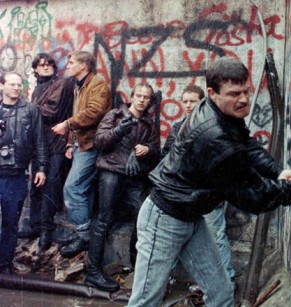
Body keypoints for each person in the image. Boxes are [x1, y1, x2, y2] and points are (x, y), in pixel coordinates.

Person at [128, 57, 291, 307]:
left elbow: (246, 144)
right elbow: (253, 197)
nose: (243, 99)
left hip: (191, 215)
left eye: (246, 91)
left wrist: (277, 172)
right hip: (164, 220)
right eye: (234, 94)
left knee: (221, 293)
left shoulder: (221, 111)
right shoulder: (214, 136)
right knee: (145, 302)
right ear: (212, 93)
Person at [85, 83, 160, 292]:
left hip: (134, 177)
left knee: (143, 218)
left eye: (146, 97)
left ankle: (138, 270)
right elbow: (99, 142)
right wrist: (119, 130)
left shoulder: (148, 124)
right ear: (132, 96)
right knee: (104, 220)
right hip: (111, 172)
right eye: (139, 96)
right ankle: (93, 273)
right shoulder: (116, 115)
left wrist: (147, 149)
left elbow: (156, 150)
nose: (142, 100)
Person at [161, 84, 236, 287]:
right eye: (184, 101)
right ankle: (166, 280)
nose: (187, 105)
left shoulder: (216, 127)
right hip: (182, 196)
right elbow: (165, 158)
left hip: (208, 195)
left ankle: (226, 281)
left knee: (215, 237)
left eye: (192, 101)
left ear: (202, 102)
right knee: (174, 237)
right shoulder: (178, 128)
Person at [52, 50, 112, 258]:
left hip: (91, 146)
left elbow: (94, 112)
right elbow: (79, 114)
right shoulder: (79, 85)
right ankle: (83, 235)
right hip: (80, 145)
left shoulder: (97, 85)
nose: (67, 66)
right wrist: (70, 143)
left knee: (72, 188)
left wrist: (67, 125)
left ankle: (85, 237)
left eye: (71, 62)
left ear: (84, 65)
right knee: (84, 191)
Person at [18, 53, 74, 251]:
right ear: (35, 69)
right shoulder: (37, 89)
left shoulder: (62, 84)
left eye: (49, 64)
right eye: (41, 65)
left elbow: (53, 111)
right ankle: (34, 226)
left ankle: (46, 231)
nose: (46, 67)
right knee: (36, 185)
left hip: (56, 142)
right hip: (38, 143)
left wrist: (29, 109)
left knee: (51, 186)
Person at [0, 72, 47, 274]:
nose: (16, 88)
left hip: (16, 175)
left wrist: (42, 168)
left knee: (11, 222)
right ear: (2, 86)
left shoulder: (31, 110)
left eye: (19, 85)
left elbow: (39, 141)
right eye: (12, 84)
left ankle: (4, 265)